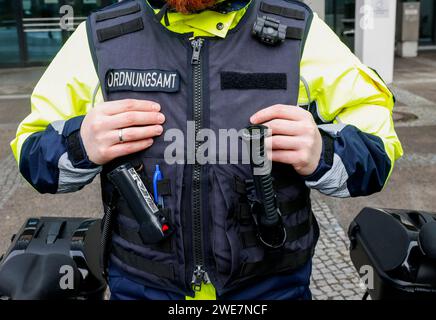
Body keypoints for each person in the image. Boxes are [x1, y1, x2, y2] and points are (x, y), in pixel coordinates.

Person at [11, 0, 403, 300]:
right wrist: (79, 142)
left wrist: (325, 151)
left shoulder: (299, 30)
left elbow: (378, 150)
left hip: (271, 286)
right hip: (143, 286)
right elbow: (32, 151)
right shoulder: (101, 36)